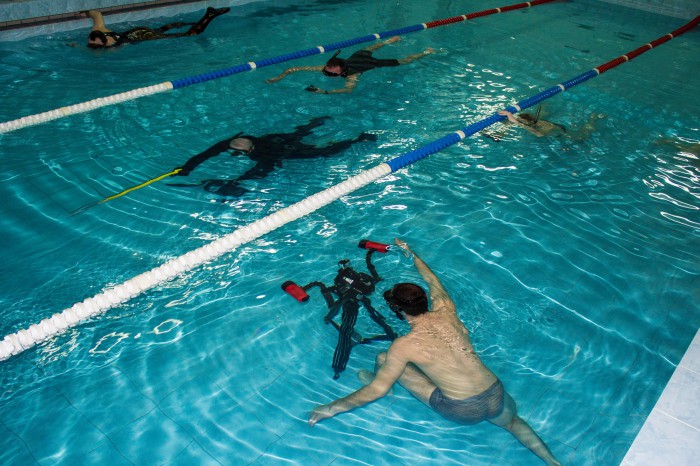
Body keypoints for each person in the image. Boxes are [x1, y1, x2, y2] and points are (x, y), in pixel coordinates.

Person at [309, 239, 561, 466]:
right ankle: (553, 462)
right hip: (495, 393)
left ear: (397, 309)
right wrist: (411, 253)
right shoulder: (446, 309)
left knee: (383, 359)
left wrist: (331, 408)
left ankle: (380, 377)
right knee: (513, 423)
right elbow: (432, 280)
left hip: (460, 409)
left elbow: (377, 391)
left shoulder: (405, 345)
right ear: (425, 300)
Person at [167, 116, 377, 197]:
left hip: (283, 148)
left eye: (237, 153)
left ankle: (357, 139)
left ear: (248, 150)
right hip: (277, 139)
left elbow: (262, 170)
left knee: (324, 152)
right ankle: (313, 124)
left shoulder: (265, 152)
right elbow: (204, 155)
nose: (231, 152)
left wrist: (238, 182)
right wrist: (187, 167)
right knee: (296, 134)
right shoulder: (229, 143)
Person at [265, 36, 434, 94]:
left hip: (370, 63)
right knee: (369, 48)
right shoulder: (327, 68)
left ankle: (425, 52)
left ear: (341, 71)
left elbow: (349, 90)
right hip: (357, 56)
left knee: (404, 61)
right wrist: (278, 77)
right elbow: (294, 68)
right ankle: (389, 41)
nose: (328, 73)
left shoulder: (352, 74)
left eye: (332, 73)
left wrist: (325, 92)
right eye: (328, 71)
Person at [85, 7, 230, 49]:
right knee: (160, 30)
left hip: (143, 35)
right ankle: (183, 23)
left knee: (188, 35)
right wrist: (85, 13)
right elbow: (96, 14)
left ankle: (209, 16)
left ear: (104, 42)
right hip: (138, 30)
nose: (91, 45)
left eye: (94, 46)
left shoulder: (111, 47)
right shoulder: (101, 30)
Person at [496, 109, 603, 141]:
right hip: (558, 128)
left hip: (566, 134)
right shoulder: (537, 121)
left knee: (583, 136)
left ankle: (593, 119)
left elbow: (539, 135)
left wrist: (517, 123)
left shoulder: (544, 129)